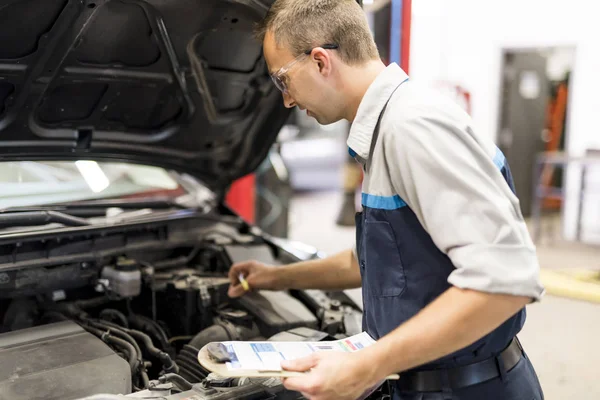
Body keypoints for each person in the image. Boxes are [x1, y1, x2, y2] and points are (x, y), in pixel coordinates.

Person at [228, 1, 546, 399]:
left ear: (321, 61)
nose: (286, 100)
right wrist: (276, 277)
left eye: (282, 80)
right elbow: (386, 263)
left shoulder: (412, 128)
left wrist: (366, 366)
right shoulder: (384, 130)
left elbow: (506, 281)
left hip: (470, 390)